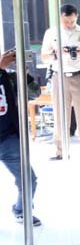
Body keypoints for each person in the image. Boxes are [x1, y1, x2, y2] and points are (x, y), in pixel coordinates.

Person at [40, 3, 80, 161]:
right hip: (58, 76)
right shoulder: (51, 33)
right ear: (60, 17)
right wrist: (56, 53)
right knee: (60, 114)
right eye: (66, 21)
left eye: (72, 21)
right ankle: (60, 151)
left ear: (77, 17)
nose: (69, 25)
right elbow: (43, 57)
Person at [0, 49, 42, 226]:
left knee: (28, 180)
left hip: (8, 139)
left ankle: (21, 210)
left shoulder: (9, 77)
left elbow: (35, 93)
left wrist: (23, 75)